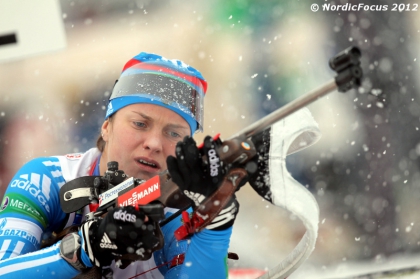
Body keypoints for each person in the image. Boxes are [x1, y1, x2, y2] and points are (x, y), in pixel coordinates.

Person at [0, 52, 243, 278]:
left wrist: (215, 226)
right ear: (106, 126)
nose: (154, 143)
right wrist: (88, 246)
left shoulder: (182, 206)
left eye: (173, 133)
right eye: (140, 124)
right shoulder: (47, 179)